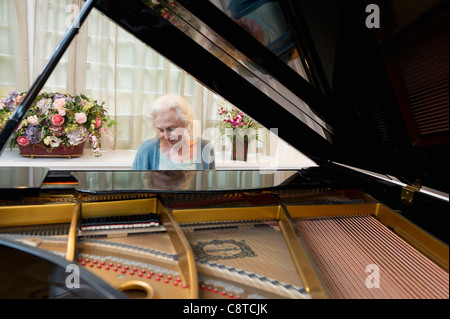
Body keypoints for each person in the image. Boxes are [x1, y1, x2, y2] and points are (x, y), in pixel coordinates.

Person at [132, 94, 215, 170]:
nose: (166, 136)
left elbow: (210, 184)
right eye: (160, 130)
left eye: (171, 129)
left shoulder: (205, 147)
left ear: (186, 123)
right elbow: (134, 185)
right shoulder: (147, 149)